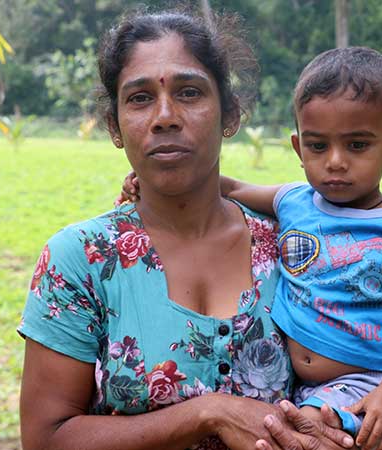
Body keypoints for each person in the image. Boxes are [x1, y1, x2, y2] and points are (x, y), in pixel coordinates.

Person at [18, 9, 355, 450]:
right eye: (139, 98)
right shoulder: (81, 260)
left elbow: (363, 371)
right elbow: (46, 438)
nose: (165, 116)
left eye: (190, 92)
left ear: (229, 114)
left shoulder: (295, 249)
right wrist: (208, 412)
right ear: (114, 126)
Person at [121, 47, 382, 450]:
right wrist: (150, 181)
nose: (335, 162)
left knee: (291, 433)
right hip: (296, 385)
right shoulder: (294, 201)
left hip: (366, 384)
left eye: (358, 145)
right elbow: (233, 189)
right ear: (298, 148)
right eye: (317, 146)